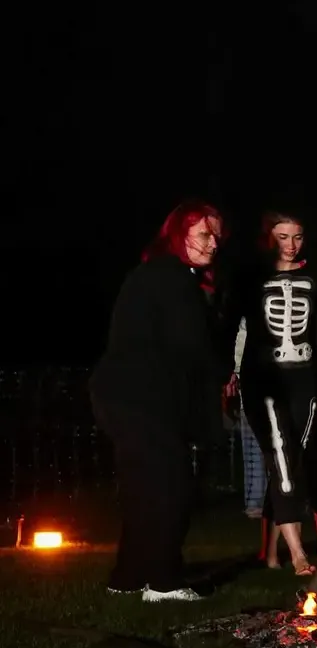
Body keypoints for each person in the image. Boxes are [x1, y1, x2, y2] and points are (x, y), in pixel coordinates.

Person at [93, 201, 228, 601]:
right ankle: (164, 581)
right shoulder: (174, 277)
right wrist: (225, 372)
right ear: (178, 233)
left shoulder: (152, 274)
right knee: (170, 485)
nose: (214, 243)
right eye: (205, 233)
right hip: (144, 395)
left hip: (120, 393)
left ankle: (128, 576)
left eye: (218, 235)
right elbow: (193, 344)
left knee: (142, 487)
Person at [232, 212, 317, 577]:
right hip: (265, 381)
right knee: (282, 459)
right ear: (269, 238)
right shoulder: (253, 279)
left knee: (294, 461)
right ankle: (297, 555)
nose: (290, 245)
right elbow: (238, 328)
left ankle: (273, 551)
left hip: (305, 381)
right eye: (282, 237)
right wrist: (230, 375)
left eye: (297, 236)